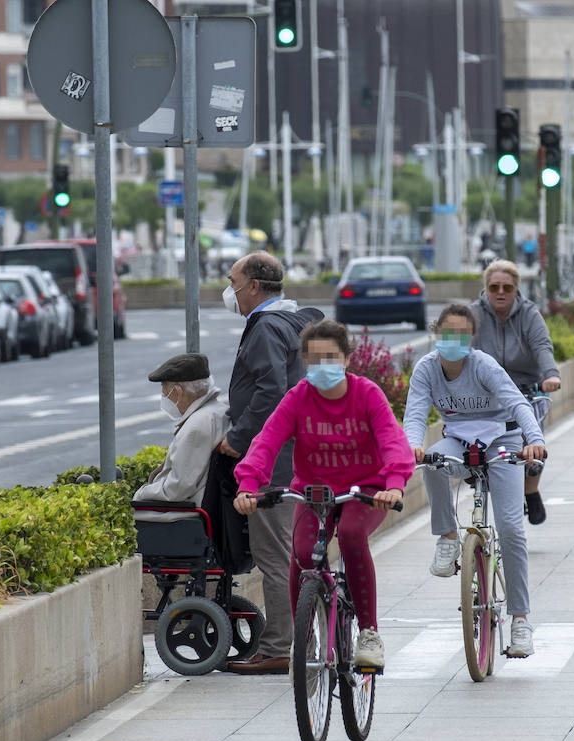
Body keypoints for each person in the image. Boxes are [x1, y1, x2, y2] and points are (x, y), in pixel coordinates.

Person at [232, 320, 414, 669]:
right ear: (304, 362)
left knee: (349, 534)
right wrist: (248, 485)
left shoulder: (366, 394)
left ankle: (369, 633)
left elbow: (393, 440)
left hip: (367, 491)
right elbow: (266, 442)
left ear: (347, 359)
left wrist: (393, 484)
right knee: (301, 555)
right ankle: (306, 637)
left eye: (331, 357)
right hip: (314, 493)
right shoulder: (298, 397)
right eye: (315, 360)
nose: (323, 366)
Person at [403, 304, 547, 658]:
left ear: (471, 339)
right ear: (436, 334)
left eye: (461, 335)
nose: (453, 340)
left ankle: (520, 621)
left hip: (504, 441)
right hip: (460, 440)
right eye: (446, 333)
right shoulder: (426, 369)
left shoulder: (483, 365)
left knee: (511, 528)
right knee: (434, 463)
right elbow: (416, 413)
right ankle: (449, 538)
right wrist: (411, 447)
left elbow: (517, 403)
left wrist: (535, 440)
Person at [220, 251, 324, 675]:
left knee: (275, 557)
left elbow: (270, 392)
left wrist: (237, 439)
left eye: (233, 282)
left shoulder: (265, 327)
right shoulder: (297, 321)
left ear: (255, 286)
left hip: (273, 464)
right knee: (297, 557)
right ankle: (307, 640)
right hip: (303, 457)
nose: (230, 291)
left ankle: (281, 647)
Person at [469, 258, 561, 525]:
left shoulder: (530, 314)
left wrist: (550, 375)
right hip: (486, 392)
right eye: (494, 286)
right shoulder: (473, 314)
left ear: (516, 289)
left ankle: (530, 489)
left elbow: (542, 346)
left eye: (507, 288)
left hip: (525, 390)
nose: (500, 292)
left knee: (532, 442)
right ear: (485, 288)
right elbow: (459, 346)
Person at [132, 352, 226, 519]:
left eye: (164, 390)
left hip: (182, 514)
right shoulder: (218, 411)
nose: (163, 396)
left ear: (178, 392)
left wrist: (141, 493)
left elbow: (177, 488)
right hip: (194, 507)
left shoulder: (196, 426)